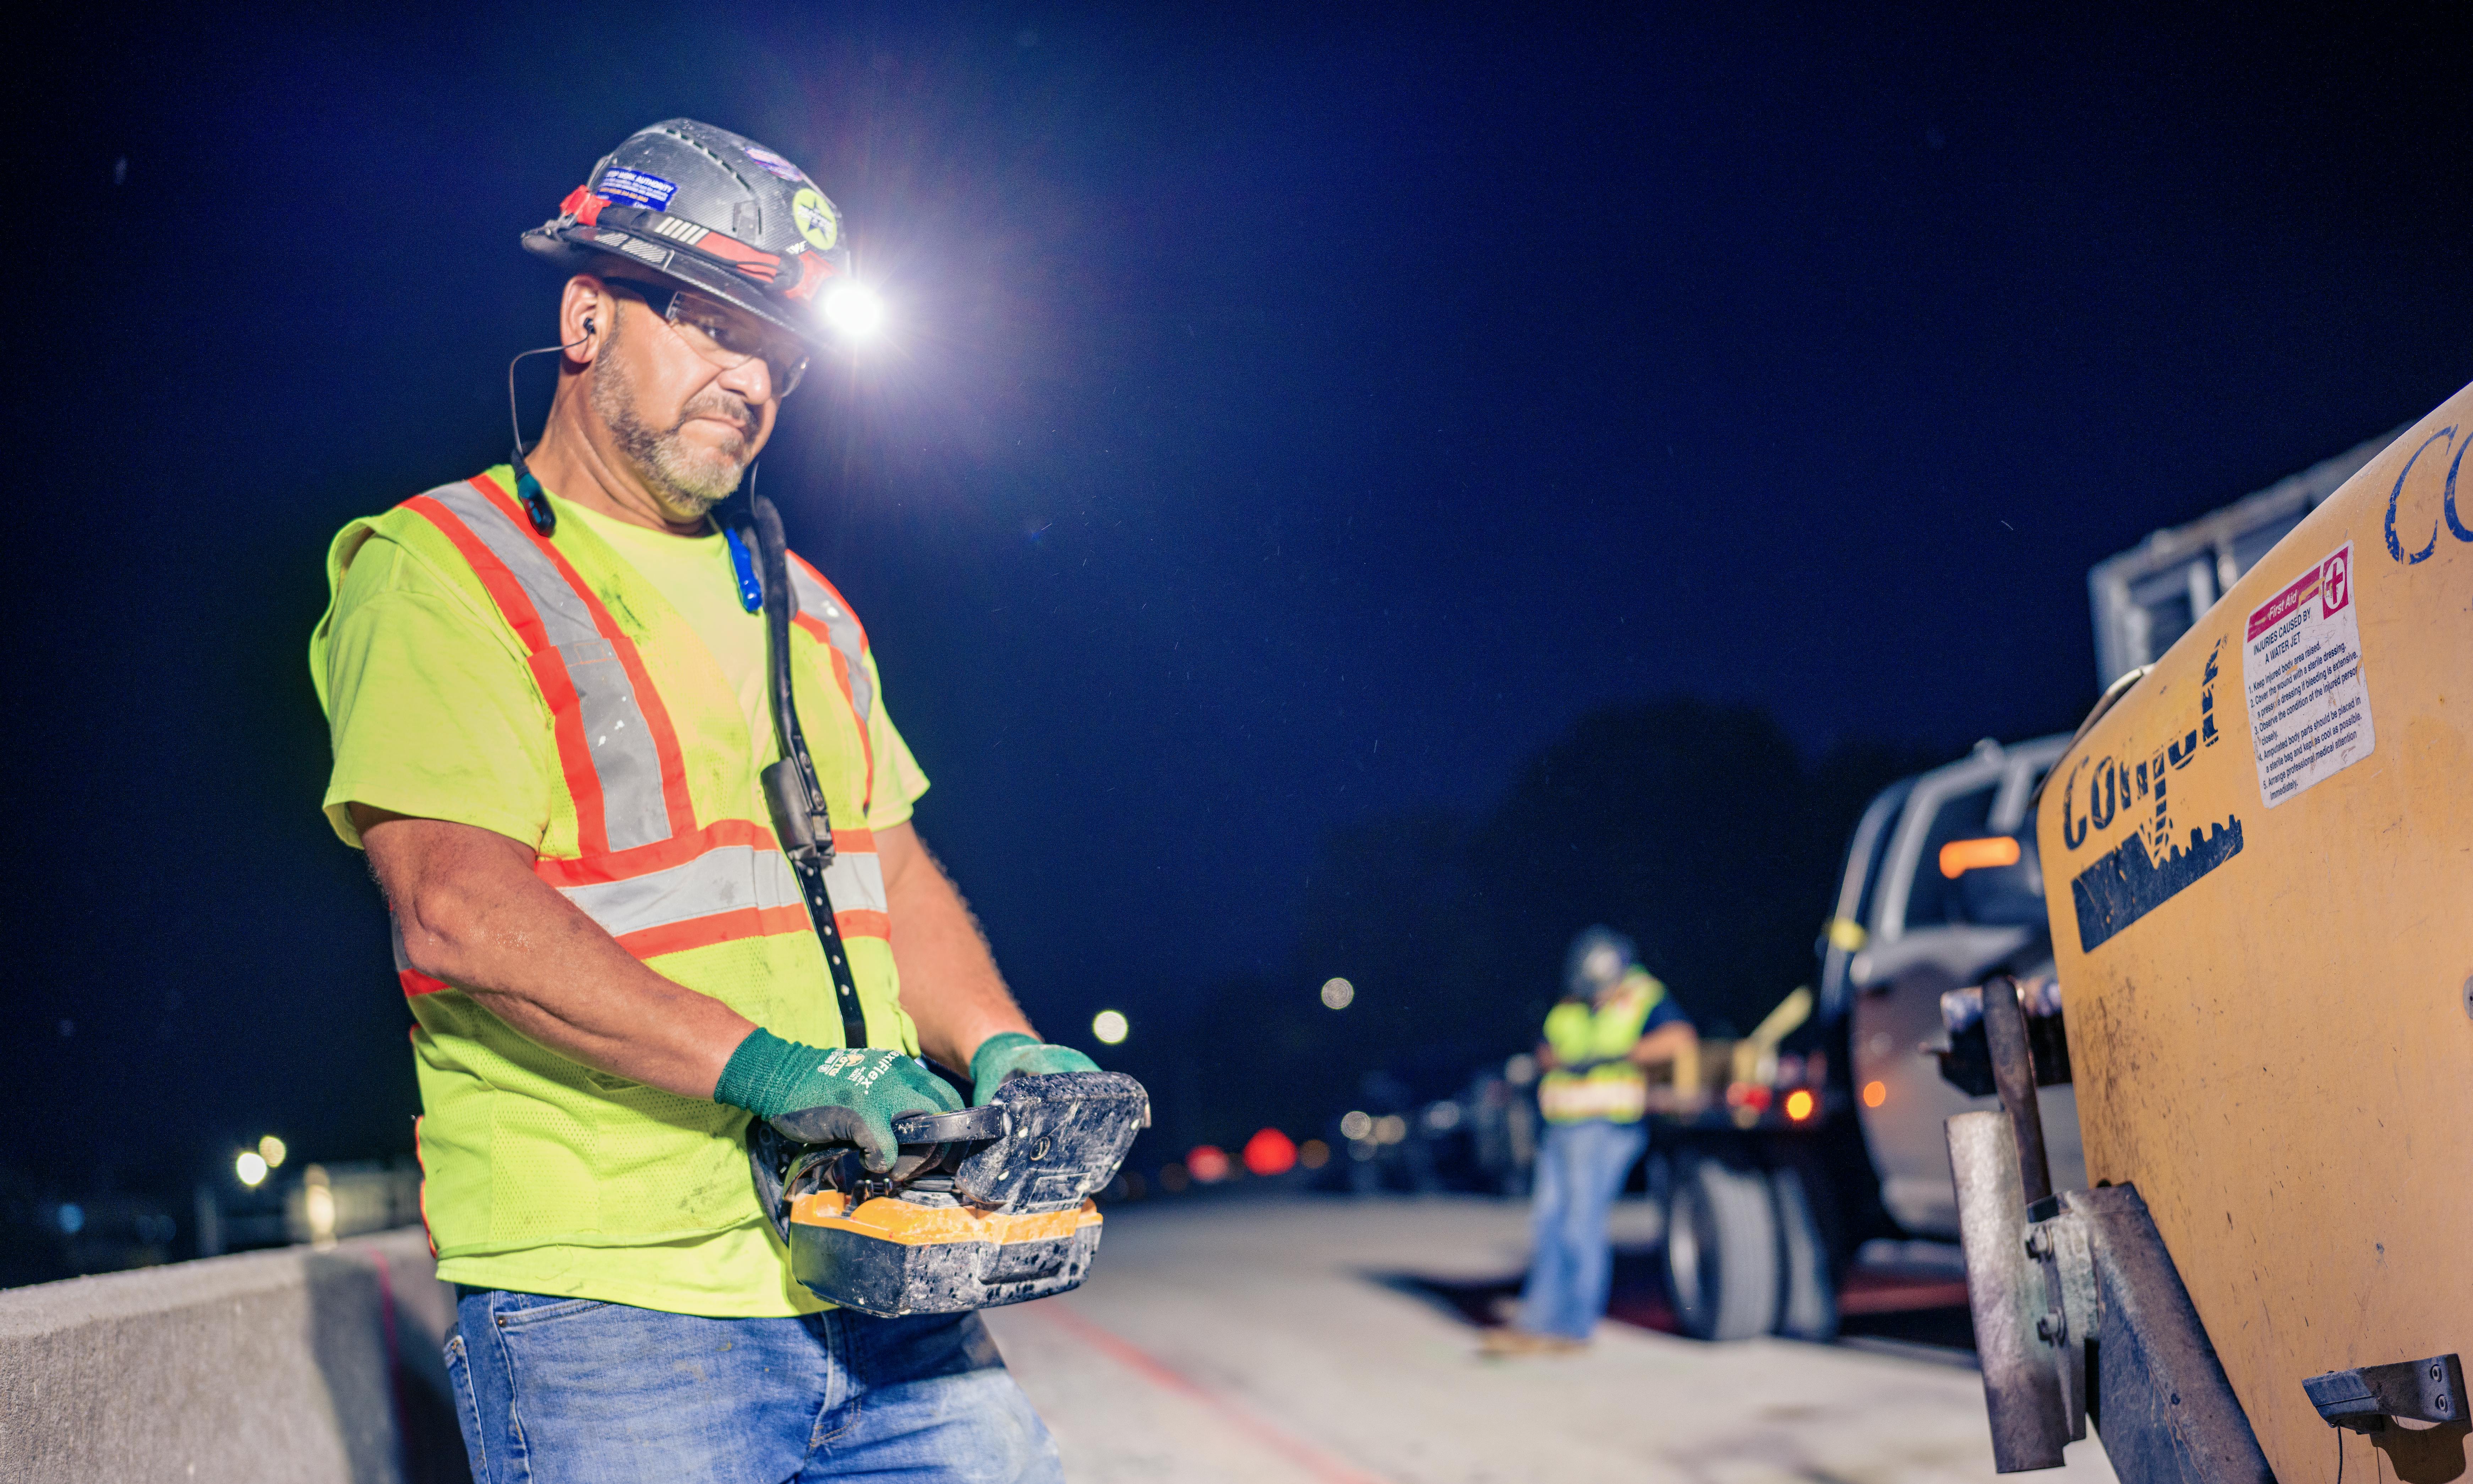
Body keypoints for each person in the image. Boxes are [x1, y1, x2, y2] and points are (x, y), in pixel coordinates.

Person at [309, 119, 1090, 1482]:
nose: (752, 382)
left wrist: (1005, 1050)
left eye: (776, 357)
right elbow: (453, 909)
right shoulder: (444, 570)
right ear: (587, 316)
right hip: (614, 1305)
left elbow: (888, 873)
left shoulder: (812, 607)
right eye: (717, 328)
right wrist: (776, 1072)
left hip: (877, 1272)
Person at [1485, 926, 1696, 1355]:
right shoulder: (1571, 1003)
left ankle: (1573, 1326)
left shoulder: (1642, 995)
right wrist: (1560, 1060)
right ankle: (1538, 1321)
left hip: (1606, 1127)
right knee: (1549, 1223)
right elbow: (1546, 1048)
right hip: (1562, 1125)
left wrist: (1618, 1056)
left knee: (1581, 1226)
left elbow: (1679, 1039)